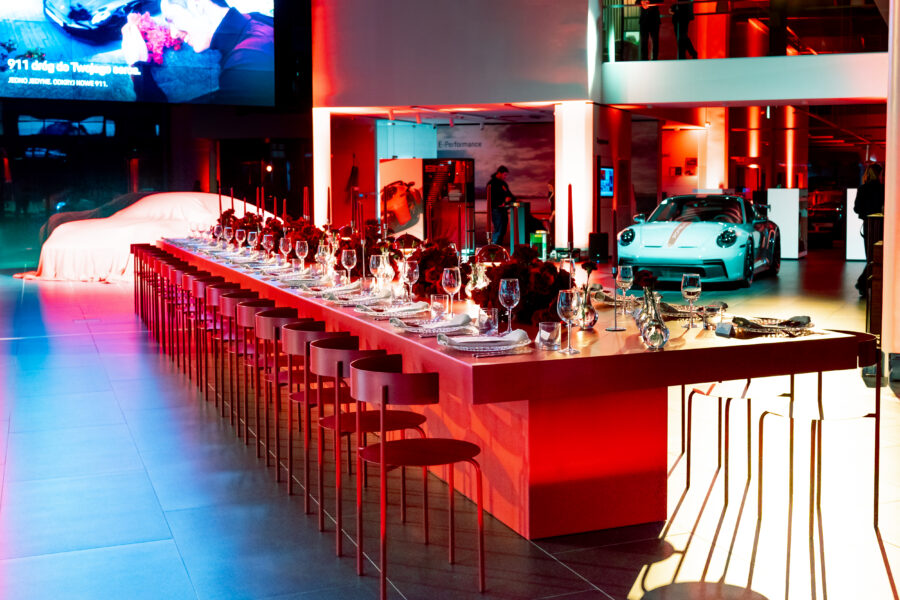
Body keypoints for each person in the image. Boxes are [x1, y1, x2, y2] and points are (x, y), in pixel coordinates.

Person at [122, 0, 274, 105]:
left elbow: (185, 131)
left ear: (197, 4)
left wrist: (138, 66)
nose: (173, 34)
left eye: (172, 20)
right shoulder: (256, 19)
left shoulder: (246, 64)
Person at [854, 163, 884, 295]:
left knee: (871, 256)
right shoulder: (883, 189)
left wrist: (866, 214)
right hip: (881, 225)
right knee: (877, 256)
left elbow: (857, 209)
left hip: (868, 225)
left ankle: (863, 285)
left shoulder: (862, 189)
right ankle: (863, 284)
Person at [487, 166, 515, 244]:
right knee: (498, 230)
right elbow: (491, 198)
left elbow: (510, 195)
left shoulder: (503, 184)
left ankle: (497, 246)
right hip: (496, 210)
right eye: (504, 175)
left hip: (503, 209)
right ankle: (494, 246)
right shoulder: (491, 184)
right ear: (499, 173)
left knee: (502, 230)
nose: (505, 177)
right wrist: (502, 202)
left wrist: (510, 199)